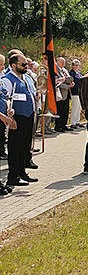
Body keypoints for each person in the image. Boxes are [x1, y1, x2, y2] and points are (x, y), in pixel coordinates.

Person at [1, 53, 38, 186]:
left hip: (29, 115)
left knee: (24, 147)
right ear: (14, 65)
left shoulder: (27, 78)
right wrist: (10, 119)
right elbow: (6, 99)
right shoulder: (8, 79)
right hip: (17, 117)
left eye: (26, 64)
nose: (26, 66)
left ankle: (22, 172)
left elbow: (32, 93)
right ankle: (13, 176)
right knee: (15, 147)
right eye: (23, 64)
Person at [54, 57, 73, 132]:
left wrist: (71, 82)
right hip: (60, 93)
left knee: (66, 110)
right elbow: (57, 82)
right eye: (61, 62)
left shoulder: (65, 70)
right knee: (60, 110)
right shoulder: (55, 70)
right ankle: (58, 126)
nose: (63, 63)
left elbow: (68, 79)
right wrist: (68, 86)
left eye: (64, 62)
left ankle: (63, 124)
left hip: (67, 93)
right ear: (57, 62)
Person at [69, 59, 84, 128]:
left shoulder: (79, 73)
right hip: (75, 92)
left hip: (80, 92)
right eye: (76, 65)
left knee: (79, 107)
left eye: (78, 65)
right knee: (75, 107)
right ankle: (73, 123)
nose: (77, 67)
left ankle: (77, 121)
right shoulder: (71, 73)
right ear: (72, 66)